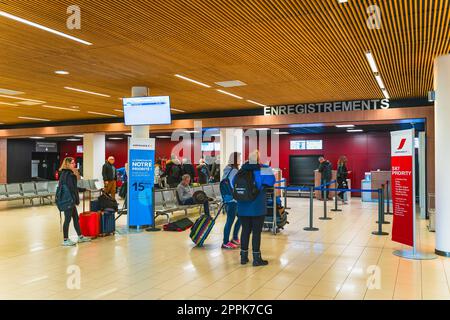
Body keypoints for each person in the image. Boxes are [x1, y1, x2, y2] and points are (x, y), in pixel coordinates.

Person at [234, 151, 275, 266]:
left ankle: (243, 257)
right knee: (256, 232)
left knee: (245, 231)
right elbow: (272, 181)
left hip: (242, 207)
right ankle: (256, 258)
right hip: (257, 207)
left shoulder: (241, 170)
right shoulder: (263, 169)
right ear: (258, 159)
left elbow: (234, 184)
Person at [58, 157, 91, 246]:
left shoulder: (65, 173)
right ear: (68, 164)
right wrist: (78, 193)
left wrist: (83, 189)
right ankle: (65, 240)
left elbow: (73, 187)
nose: (74, 164)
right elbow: (71, 188)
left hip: (69, 200)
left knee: (76, 218)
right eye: (72, 163)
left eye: (74, 163)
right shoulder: (68, 174)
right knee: (67, 220)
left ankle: (80, 236)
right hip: (68, 200)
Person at [221, 152, 241, 249]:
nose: (240, 160)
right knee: (230, 221)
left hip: (227, 198)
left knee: (240, 217)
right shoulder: (234, 171)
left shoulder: (227, 170)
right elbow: (234, 185)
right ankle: (225, 242)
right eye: (239, 158)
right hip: (233, 200)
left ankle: (235, 238)